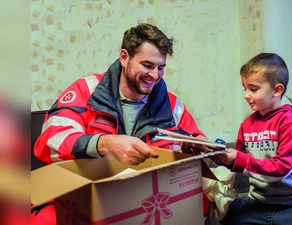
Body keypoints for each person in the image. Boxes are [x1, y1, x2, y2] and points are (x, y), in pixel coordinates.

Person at [32, 23, 206, 224]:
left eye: (161, 68)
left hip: (146, 204)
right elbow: (50, 142)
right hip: (86, 199)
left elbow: (195, 140)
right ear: (124, 57)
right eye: (147, 66)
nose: (155, 75)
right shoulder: (87, 91)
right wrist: (105, 144)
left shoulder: (173, 106)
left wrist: (198, 145)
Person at [212, 53, 292, 225]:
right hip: (259, 201)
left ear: (276, 90)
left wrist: (239, 159)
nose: (246, 95)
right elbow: (243, 162)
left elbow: (282, 168)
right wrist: (222, 158)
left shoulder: (290, 123)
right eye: (244, 88)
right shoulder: (246, 125)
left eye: (253, 89)